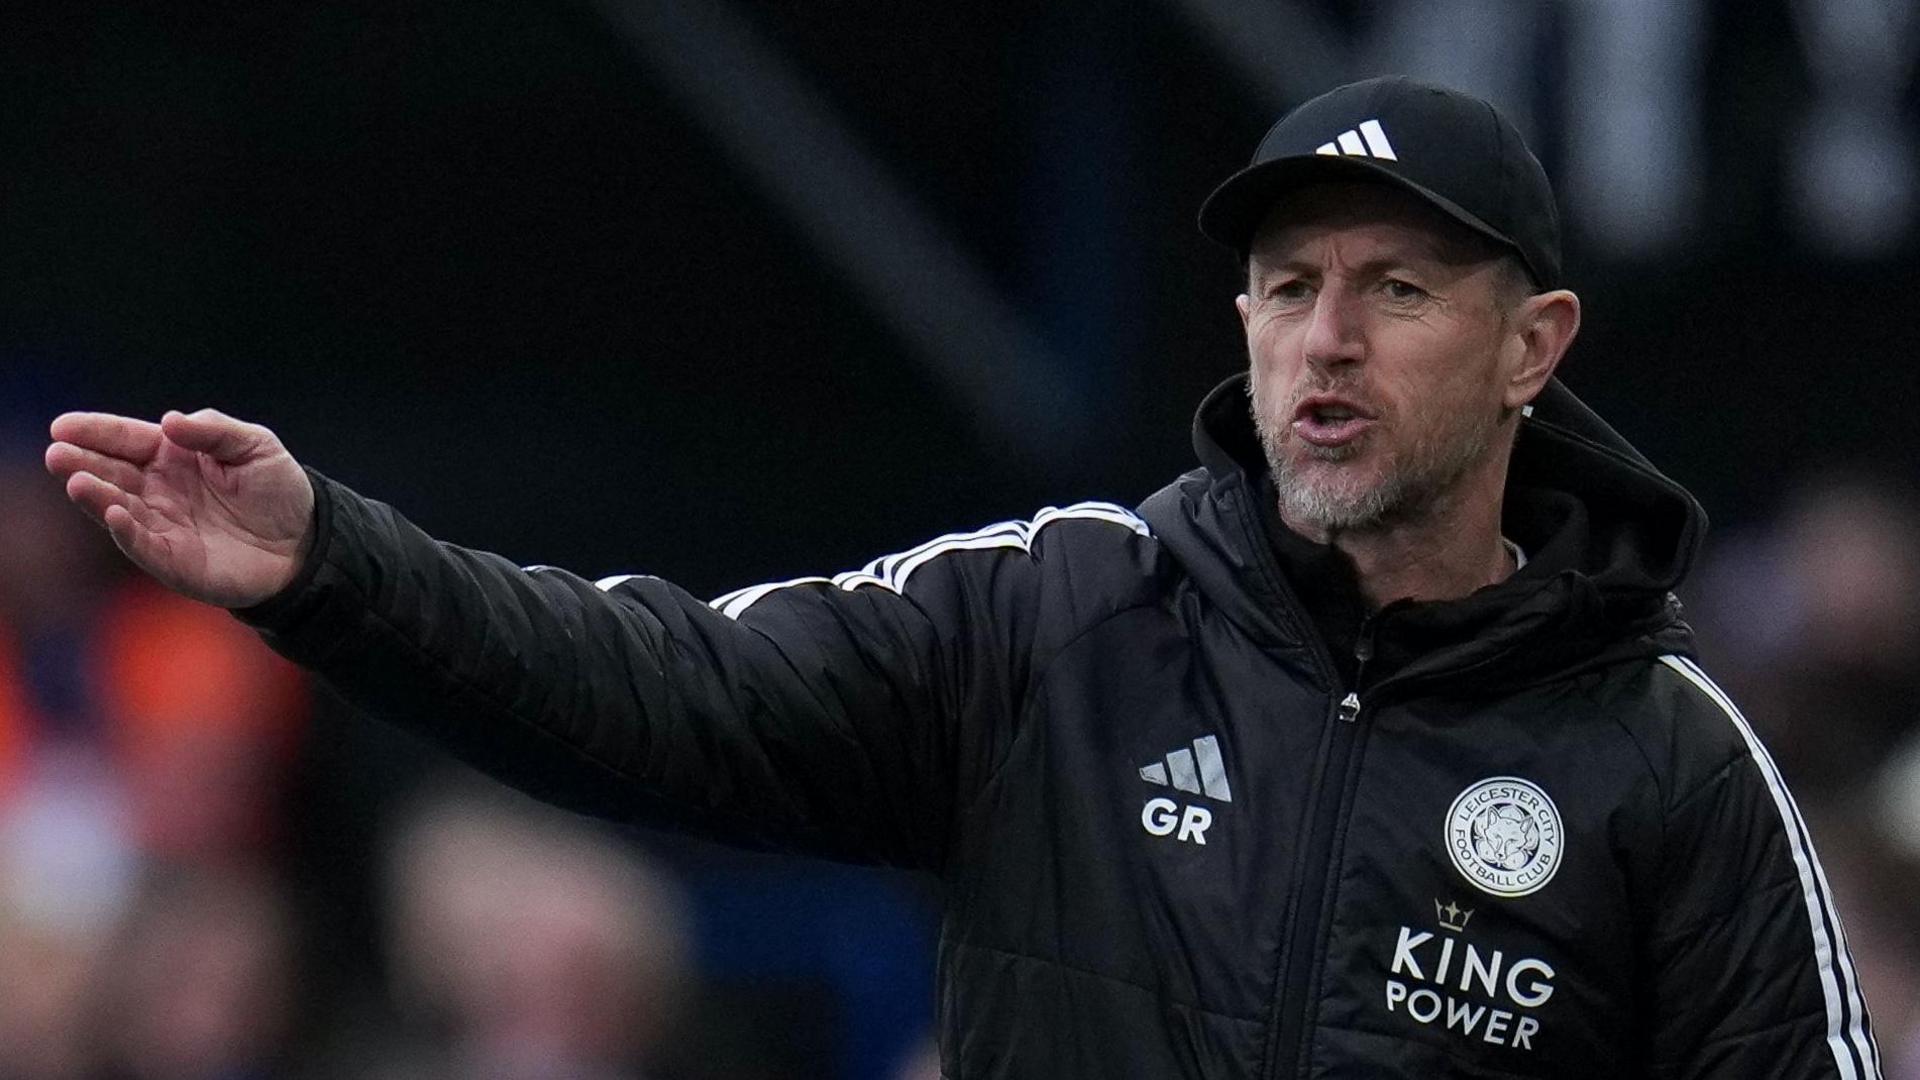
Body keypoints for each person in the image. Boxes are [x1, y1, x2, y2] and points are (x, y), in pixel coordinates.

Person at [43, 76, 1880, 1078]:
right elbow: (661, 685)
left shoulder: (1671, 762)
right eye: (1289, 288)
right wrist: (329, 570)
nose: (1327, 342)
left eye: (1396, 292)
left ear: (1531, 346)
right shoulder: (1060, 614)